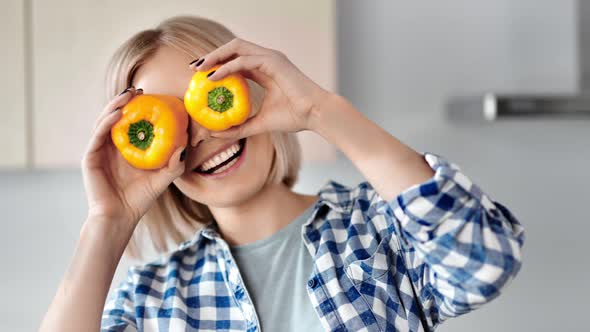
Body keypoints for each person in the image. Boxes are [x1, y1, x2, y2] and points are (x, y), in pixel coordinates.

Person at [40, 16, 525, 332]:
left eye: (208, 99)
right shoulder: (151, 300)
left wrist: (322, 112)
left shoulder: (375, 232)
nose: (201, 138)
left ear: (251, 85)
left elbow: (486, 260)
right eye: (167, 126)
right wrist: (108, 222)